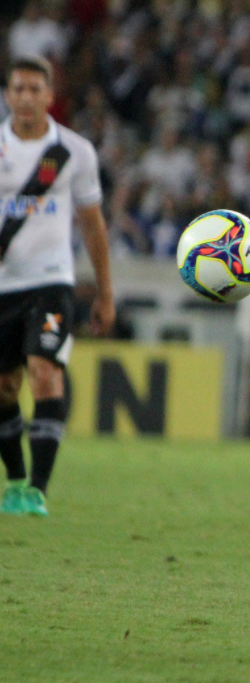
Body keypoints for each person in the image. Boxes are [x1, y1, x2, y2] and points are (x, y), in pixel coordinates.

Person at [0, 56, 114, 516]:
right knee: (4, 387)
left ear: (50, 95)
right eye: (18, 89)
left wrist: (105, 292)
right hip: (3, 286)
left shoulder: (73, 152)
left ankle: (39, 490)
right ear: (8, 95)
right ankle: (15, 481)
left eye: (35, 89)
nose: (26, 97)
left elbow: (92, 226)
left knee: (45, 372)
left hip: (51, 281)